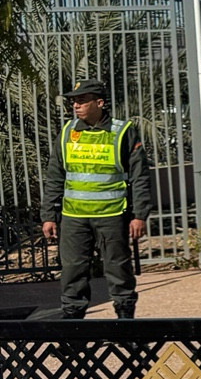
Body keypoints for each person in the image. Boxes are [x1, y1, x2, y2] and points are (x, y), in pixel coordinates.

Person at [40, 79, 155, 321]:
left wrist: (139, 216)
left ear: (100, 103)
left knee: (118, 269)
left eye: (82, 100)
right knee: (72, 271)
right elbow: (54, 176)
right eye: (73, 101)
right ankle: (73, 328)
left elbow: (140, 176)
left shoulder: (122, 131)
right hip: (74, 218)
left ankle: (126, 324)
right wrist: (49, 216)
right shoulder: (67, 133)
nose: (76, 105)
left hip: (111, 215)